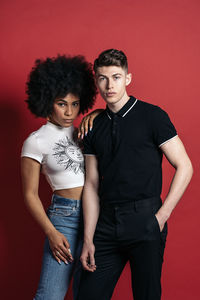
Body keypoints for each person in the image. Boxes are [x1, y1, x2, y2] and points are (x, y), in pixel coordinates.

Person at [77, 49, 193, 300]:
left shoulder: (153, 116)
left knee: (147, 295)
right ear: (96, 81)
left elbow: (185, 166)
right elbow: (91, 184)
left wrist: (161, 217)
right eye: (102, 78)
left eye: (116, 77)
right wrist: (88, 238)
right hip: (106, 224)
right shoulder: (94, 126)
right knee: (88, 295)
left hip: (145, 218)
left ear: (128, 78)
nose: (109, 85)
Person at [21, 54, 98, 300]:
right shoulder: (36, 141)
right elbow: (30, 194)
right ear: (47, 102)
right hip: (64, 218)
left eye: (75, 104)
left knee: (87, 293)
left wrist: (95, 116)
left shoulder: (84, 131)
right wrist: (51, 232)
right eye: (61, 103)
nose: (69, 111)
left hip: (96, 215)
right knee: (50, 296)